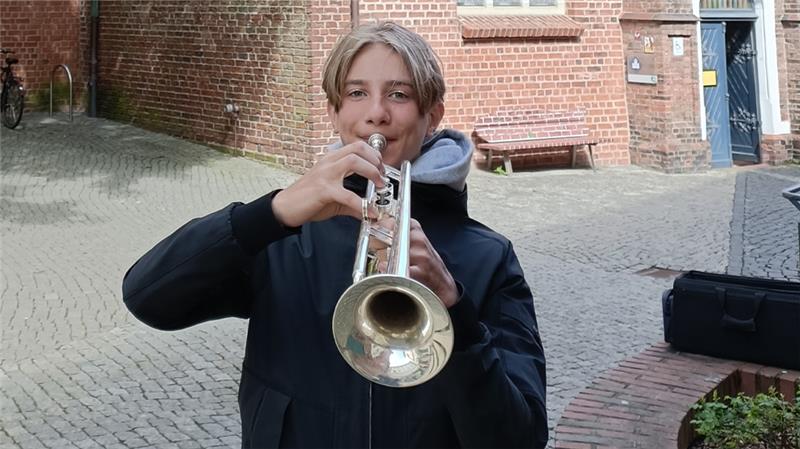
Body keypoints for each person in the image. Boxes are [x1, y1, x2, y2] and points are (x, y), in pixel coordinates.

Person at [122, 21, 548, 448]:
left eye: (399, 94)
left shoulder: (489, 257)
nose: (376, 113)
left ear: (432, 115)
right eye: (356, 93)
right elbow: (148, 297)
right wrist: (272, 213)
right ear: (334, 112)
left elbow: (520, 437)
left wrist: (456, 309)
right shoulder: (282, 237)